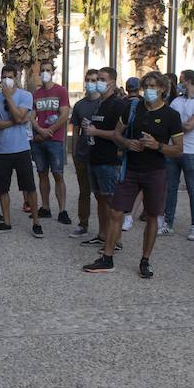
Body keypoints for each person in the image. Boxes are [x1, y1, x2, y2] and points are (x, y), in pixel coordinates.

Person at [84, 72, 182, 278]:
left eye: (153, 86)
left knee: (153, 216)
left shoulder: (171, 115)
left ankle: (145, 260)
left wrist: (157, 145)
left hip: (155, 171)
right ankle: (107, 257)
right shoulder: (133, 107)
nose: (148, 90)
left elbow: (178, 149)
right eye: (146, 86)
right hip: (130, 169)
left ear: (162, 89)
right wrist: (127, 143)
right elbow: (117, 134)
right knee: (116, 211)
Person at [80, 67, 127, 254]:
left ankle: (115, 239)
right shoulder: (100, 103)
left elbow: (119, 134)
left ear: (112, 82)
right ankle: (102, 235)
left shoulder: (117, 105)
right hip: (95, 157)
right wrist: (90, 127)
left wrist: (95, 131)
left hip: (109, 160)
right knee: (100, 198)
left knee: (111, 201)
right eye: (96, 78)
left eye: (101, 79)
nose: (97, 82)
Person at [0, 62, 40, 236]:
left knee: (30, 187)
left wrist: (9, 97)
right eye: (4, 77)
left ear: (17, 78)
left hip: (21, 149)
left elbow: (20, 115)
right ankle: (6, 222)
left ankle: (35, 221)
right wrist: (13, 121)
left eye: (10, 77)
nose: (6, 80)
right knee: (2, 188)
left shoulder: (25, 96)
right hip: (3, 150)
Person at [163, 70, 194, 241]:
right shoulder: (177, 101)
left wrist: (173, 124)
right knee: (171, 188)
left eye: (181, 80)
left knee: (192, 190)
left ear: (188, 81)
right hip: (173, 150)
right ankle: (168, 223)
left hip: (190, 152)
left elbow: (189, 127)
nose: (179, 84)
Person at [30, 59, 70, 226]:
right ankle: (45, 207)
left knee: (58, 174)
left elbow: (64, 115)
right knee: (42, 173)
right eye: (43, 70)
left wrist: (48, 132)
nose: (45, 73)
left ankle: (62, 210)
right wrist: (40, 130)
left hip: (55, 140)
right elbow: (31, 116)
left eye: (48, 70)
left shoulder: (61, 91)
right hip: (39, 140)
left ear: (53, 72)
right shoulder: (36, 94)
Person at [67, 69, 101, 237]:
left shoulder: (105, 103)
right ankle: (83, 223)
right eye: (88, 79)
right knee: (84, 192)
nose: (90, 82)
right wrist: (73, 154)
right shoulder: (80, 105)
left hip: (100, 157)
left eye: (94, 80)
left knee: (102, 195)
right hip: (82, 155)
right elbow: (75, 130)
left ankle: (105, 229)